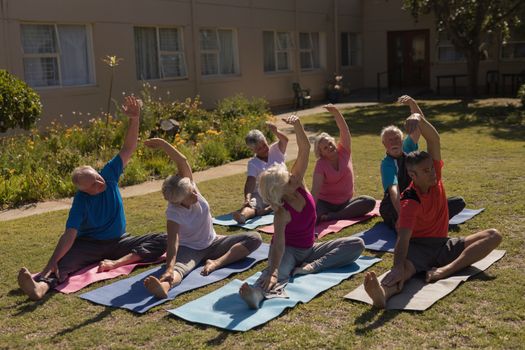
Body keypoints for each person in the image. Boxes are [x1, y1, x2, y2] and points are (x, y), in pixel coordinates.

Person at [17, 96, 167, 301]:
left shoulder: (109, 175)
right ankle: (40, 289)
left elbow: (128, 148)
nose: (100, 183)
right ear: (85, 191)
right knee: (62, 264)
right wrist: (51, 261)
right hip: (89, 245)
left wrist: (134, 119)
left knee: (164, 239)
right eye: (94, 185)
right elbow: (69, 235)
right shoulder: (81, 201)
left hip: (119, 242)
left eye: (97, 177)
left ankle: (120, 262)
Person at [363, 107, 502, 308]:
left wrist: (418, 117)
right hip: (419, 248)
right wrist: (396, 267)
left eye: (431, 168)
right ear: (413, 176)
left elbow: (434, 140)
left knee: (494, 235)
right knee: (403, 273)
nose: (433, 174)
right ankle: (383, 294)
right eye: (426, 171)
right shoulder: (409, 201)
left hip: (444, 244)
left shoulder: (434, 178)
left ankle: (445, 271)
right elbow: (403, 239)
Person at [239, 115, 365, 309]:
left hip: (310, 249)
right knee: (275, 275)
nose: (293, 177)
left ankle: (312, 267)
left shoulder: (298, 184)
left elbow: (304, 149)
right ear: (280, 191)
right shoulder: (281, 212)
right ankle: (257, 294)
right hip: (288, 251)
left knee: (356, 244)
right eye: (288, 179)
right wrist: (272, 270)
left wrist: (297, 125)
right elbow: (279, 243)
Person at [142, 138, 262, 299]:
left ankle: (216, 263)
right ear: (179, 201)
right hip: (191, 249)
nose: (195, 194)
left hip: (214, 242)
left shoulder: (187, 185)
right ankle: (164, 287)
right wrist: (169, 268)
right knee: (179, 270)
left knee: (254, 238)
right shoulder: (174, 213)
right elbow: (173, 241)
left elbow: (182, 160)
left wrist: (163, 144)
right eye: (190, 195)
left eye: (193, 190)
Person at [379, 95, 465, 229]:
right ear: (384, 144)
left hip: (419, 198)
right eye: (390, 140)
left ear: (402, 140)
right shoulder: (387, 164)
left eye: (396, 138)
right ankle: (427, 220)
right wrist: (402, 215)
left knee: (458, 202)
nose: (394, 142)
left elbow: (422, 127)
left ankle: (430, 219)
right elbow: (393, 191)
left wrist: (412, 104)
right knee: (409, 222)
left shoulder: (408, 147)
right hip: (397, 204)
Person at [311, 104, 376, 222]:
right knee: (312, 216)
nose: (329, 147)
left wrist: (335, 112)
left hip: (346, 202)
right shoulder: (321, 164)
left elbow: (344, 130)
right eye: (325, 148)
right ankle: (330, 215)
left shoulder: (344, 151)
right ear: (321, 153)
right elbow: (315, 190)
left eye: (330, 143)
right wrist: (311, 211)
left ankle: (334, 216)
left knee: (369, 202)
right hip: (325, 203)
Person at [232, 123, 288, 224]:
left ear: (266, 140)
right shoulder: (253, 163)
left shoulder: (276, 149)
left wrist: (276, 131)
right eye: (259, 149)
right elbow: (250, 181)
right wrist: (247, 198)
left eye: (264, 145)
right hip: (263, 194)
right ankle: (243, 215)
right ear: (252, 150)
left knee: (287, 197)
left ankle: (267, 210)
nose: (264, 149)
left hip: (282, 190)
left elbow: (285, 140)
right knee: (252, 203)